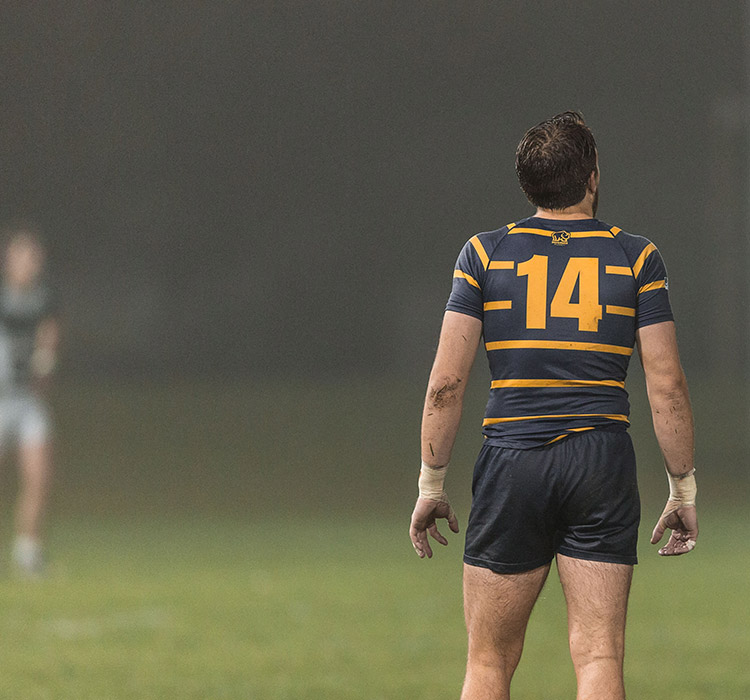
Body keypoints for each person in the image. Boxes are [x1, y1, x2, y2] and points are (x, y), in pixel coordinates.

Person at [408, 112, 697, 700]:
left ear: (528, 183)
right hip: (600, 460)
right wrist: (683, 489)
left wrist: (431, 484)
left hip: (513, 459)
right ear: (592, 176)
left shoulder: (484, 256)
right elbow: (664, 384)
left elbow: (446, 382)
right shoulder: (636, 259)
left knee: (488, 663)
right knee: (598, 655)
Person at [0, 224, 60, 577]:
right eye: (20, 257)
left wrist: (46, 359)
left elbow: (50, 333)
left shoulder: (44, 298)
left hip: (27, 400)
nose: (26, 264)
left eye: (32, 258)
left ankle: (27, 552)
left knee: (39, 475)